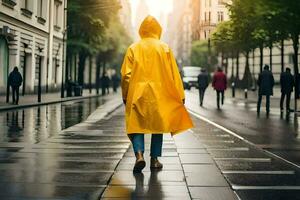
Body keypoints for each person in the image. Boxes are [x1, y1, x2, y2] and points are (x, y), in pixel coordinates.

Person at [121, 16, 193, 173]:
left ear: (142, 30)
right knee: (157, 126)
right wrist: (180, 95)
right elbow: (174, 74)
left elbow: (126, 75)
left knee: (136, 125)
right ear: (158, 29)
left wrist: (125, 95)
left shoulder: (133, 48)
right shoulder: (164, 48)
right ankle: (154, 160)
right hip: (159, 93)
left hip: (137, 93)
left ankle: (139, 155)